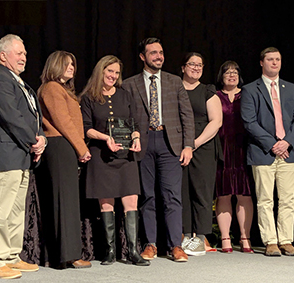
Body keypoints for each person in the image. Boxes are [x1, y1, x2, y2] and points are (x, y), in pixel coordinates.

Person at [123, 37, 195, 262]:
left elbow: (187, 115)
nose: (159, 56)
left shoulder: (174, 81)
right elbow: (126, 117)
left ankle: (176, 246)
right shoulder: (129, 84)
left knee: (172, 196)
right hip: (143, 143)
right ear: (142, 56)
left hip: (169, 142)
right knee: (148, 196)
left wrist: (188, 145)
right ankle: (150, 244)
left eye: (161, 52)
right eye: (153, 52)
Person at [0, 33, 45, 279]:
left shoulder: (19, 82)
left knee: (16, 211)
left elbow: (33, 116)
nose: (24, 57)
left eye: (25, 53)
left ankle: (10, 257)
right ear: (3, 56)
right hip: (6, 154)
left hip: (21, 155)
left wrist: (41, 138)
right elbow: (11, 117)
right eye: (19, 53)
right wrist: (33, 140)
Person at [80, 55, 149, 266]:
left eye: (117, 72)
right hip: (102, 156)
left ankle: (133, 251)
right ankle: (110, 251)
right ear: (101, 71)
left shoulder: (125, 95)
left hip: (125, 156)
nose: (113, 76)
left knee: (131, 202)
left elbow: (134, 123)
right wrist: (105, 138)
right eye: (110, 71)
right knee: (106, 204)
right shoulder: (88, 98)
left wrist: (136, 138)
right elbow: (86, 128)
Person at [241, 47, 294, 257]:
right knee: (265, 199)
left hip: (289, 152)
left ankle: (286, 240)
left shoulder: (291, 88)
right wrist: (272, 144)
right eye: (270, 59)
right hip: (263, 152)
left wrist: (286, 142)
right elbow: (249, 122)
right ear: (262, 62)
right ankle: (270, 241)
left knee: (288, 199)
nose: (274, 63)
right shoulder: (250, 89)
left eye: (277, 59)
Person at [35, 50, 91, 269]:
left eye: (73, 65)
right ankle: (69, 255)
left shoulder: (61, 89)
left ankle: (61, 254)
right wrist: (81, 148)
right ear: (56, 65)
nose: (71, 68)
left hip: (64, 145)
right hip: (59, 144)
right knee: (65, 201)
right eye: (66, 64)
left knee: (65, 200)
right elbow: (63, 121)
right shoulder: (52, 87)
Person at [179, 53, 222, 256]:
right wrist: (184, 144)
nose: (196, 68)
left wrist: (194, 143)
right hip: (179, 146)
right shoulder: (174, 89)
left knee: (202, 191)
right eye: (192, 64)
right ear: (183, 67)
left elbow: (216, 121)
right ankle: (185, 236)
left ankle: (201, 237)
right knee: (182, 192)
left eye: (200, 65)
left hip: (203, 146)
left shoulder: (207, 91)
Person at [213, 61, 255, 253]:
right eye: (227, 72)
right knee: (223, 194)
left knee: (244, 194)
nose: (231, 75)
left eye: (235, 72)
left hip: (244, 149)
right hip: (221, 149)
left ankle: (245, 237)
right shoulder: (215, 96)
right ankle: (225, 238)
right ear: (221, 76)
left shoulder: (247, 94)